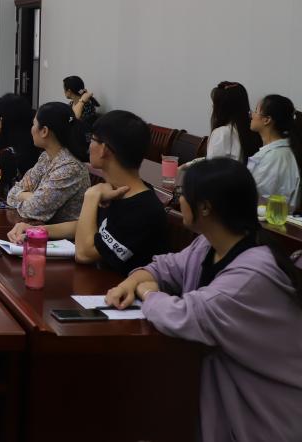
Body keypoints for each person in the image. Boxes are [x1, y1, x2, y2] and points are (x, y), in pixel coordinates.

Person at [105, 159, 302, 442]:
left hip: (263, 412)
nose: (179, 199)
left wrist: (148, 293)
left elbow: (188, 315)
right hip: (219, 396)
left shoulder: (253, 274)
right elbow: (167, 266)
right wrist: (132, 282)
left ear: (206, 207)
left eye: (183, 194)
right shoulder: (210, 243)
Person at [8, 110, 168, 274]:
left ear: (103, 149)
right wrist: (35, 230)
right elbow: (87, 227)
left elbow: (84, 253)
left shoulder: (143, 210)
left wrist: (92, 196)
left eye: (92, 139)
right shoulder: (115, 189)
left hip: (114, 286)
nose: (88, 145)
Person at [4, 102, 90, 224]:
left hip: (61, 235)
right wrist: (31, 196)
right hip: (39, 228)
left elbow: (33, 209)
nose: (31, 129)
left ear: (44, 131)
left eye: (34, 124)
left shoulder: (69, 168)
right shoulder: (46, 157)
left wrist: (25, 195)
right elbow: (11, 194)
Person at [248, 94, 302, 210]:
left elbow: (258, 198)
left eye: (256, 111)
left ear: (267, 120)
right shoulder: (276, 153)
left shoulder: (273, 158)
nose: (251, 115)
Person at [206, 81, 261, 162]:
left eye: (215, 103)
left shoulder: (221, 133)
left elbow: (212, 166)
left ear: (222, 108)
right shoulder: (254, 129)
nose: (213, 106)